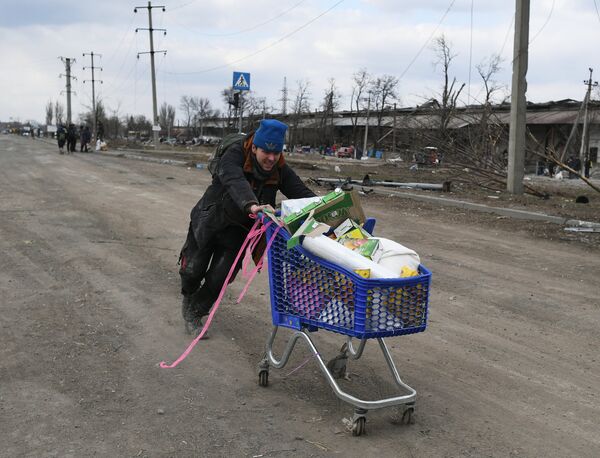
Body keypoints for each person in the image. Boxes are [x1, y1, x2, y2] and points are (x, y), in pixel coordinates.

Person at [178, 119, 316, 334]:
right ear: (254, 147)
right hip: (209, 220)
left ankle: (195, 312)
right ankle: (188, 294)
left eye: (276, 153)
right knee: (192, 270)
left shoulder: (279, 169)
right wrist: (251, 205)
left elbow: (302, 193)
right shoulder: (233, 154)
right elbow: (234, 180)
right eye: (266, 152)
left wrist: (327, 206)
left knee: (220, 278)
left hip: (238, 231)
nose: (271, 158)